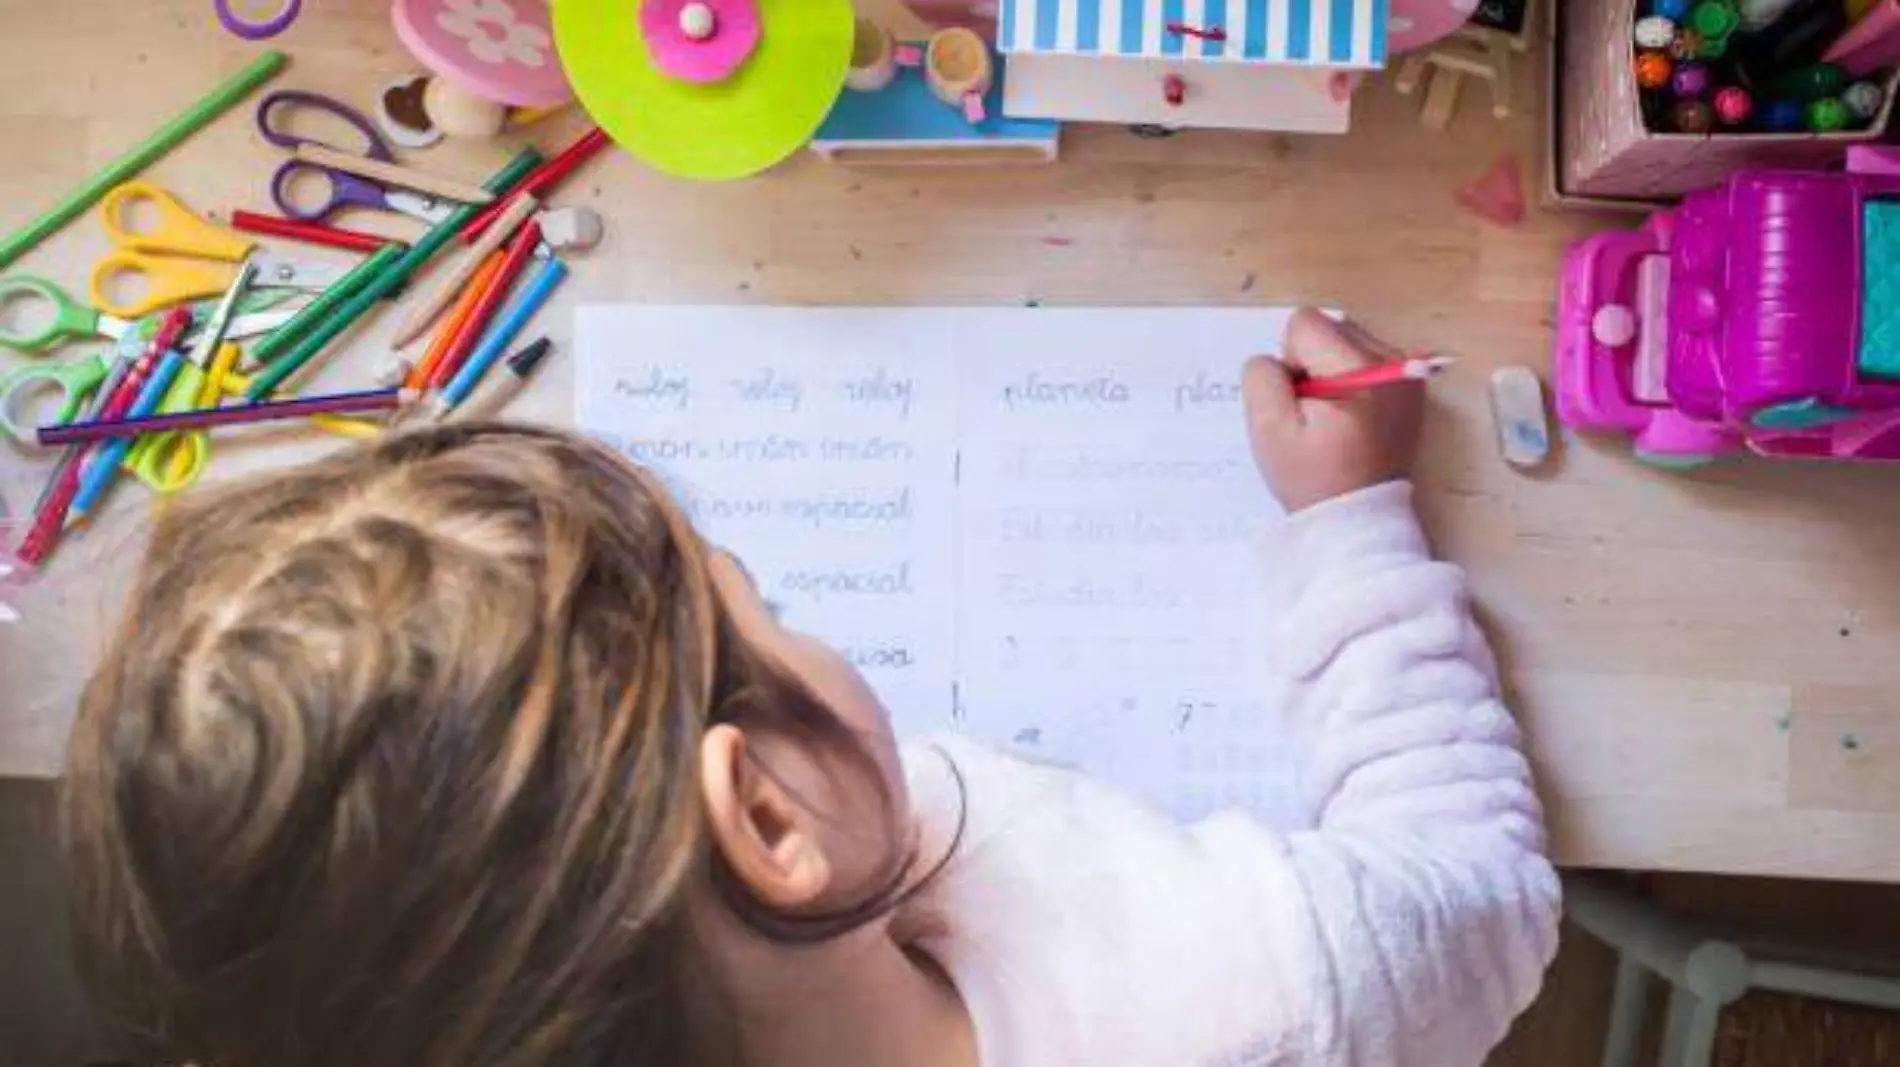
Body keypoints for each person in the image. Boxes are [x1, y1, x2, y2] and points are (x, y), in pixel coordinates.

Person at [61, 308, 1560, 1067]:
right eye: (761, 615)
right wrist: (1352, 527)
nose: (801, 633)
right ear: (770, 821)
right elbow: (1486, 891)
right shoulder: (1269, 988)